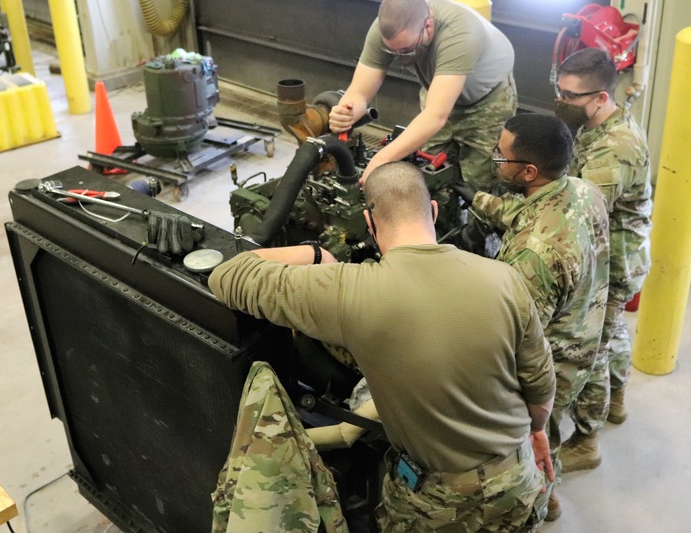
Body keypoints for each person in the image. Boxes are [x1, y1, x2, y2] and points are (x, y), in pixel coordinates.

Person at [210, 161, 558, 531]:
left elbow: (228, 275)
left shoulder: (350, 291)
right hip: (517, 482)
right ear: (435, 212)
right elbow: (540, 396)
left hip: (435, 505)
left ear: (369, 222)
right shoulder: (505, 279)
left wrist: (314, 255)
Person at [465, 113, 610, 522]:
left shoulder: (534, 258)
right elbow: (530, 216)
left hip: (556, 361)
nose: (495, 159)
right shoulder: (582, 190)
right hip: (586, 329)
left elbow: (516, 342)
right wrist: (478, 199)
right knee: (552, 428)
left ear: (528, 171)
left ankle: (541, 503)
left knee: (535, 438)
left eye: (500, 155)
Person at [552, 48, 652, 472]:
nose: (562, 101)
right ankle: (618, 401)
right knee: (612, 335)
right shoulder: (594, 124)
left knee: (588, 349)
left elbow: (580, 208)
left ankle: (586, 441)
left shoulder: (617, 147)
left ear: (599, 97)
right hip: (609, 251)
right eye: (559, 90)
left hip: (613, 261)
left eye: (571, 96)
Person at [329, 0, 516, 192]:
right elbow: (359, 92)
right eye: (393, 51)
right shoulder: (387, 30)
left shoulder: (459, 35)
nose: (399, 56)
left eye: (407, 50)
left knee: (481, 182)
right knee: (427, 173)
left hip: (487, 104)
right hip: (437, 94)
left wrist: (382, 158)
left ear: (428, 25)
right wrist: (345, 113)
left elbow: (436, 116)